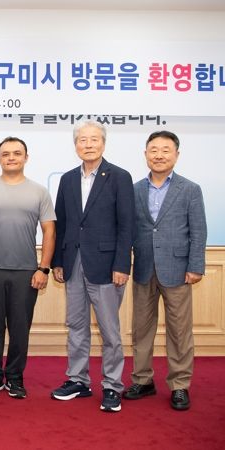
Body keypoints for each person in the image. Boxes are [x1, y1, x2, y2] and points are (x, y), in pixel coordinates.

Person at [50, 120, 134, 413]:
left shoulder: (119, 177)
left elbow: (126, 225)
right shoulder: (68, 179)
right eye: (82, 140)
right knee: (76, 325)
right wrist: (58, 261)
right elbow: (61, 223)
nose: (88, 144)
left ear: (103, 143)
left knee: (110, 331)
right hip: (73, 263)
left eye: (94, 139)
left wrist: (122, 264)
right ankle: (78, 380)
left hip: (107, 266)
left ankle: (112, 386)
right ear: (76, 145)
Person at [123, 131, 207, 411]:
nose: (159, 155)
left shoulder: (190, 189)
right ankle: (143, 380)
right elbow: (127, 230)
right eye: (154, 150)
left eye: (165, 150)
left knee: (179, 331)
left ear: (176, 155)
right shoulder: (134, 189)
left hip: (178, 269)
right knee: (141, 329)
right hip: (143, 268)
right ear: (145, 154)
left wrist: (195, 266)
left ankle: (180, 384)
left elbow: (198, 231)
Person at [0, 137, 55, 399]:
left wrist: (43, 269)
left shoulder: (39, 192)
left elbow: (49, 231)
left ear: (26, 158)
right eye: (6, 154)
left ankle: (15, 377)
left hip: (27, 271)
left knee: (20, 328)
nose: (11, 158)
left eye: (17, 153)